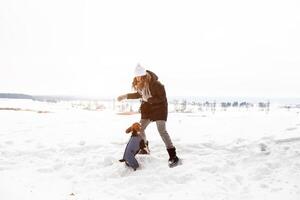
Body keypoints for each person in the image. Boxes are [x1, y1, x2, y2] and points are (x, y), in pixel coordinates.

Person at [117, 64, 179, 167]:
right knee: (140, 129)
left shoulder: (157, 85)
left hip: (160, 109)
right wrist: (125, 96)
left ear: (144, 75)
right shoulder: (139, 84)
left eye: (139, 76)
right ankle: (144, 148)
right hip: (148, 109)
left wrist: (148, 99)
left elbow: (162, 98)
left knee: (162, 131)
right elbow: (138, 94)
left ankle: (173, 156)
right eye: (136, 76)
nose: (137, 78)